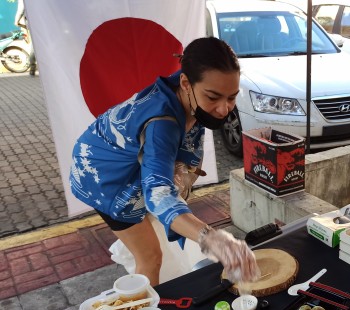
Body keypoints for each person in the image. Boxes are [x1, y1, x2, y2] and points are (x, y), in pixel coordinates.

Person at [70, 37, 260, 286]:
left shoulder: (186, 93)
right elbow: (159, 195)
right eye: (213, 97)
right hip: (103, 177)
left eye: (232, 97)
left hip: (125, 160)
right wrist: (211, 238)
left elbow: (165, 182)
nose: (224, 109)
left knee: (166, 222)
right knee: (150, 256)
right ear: (185, 82)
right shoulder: (162, 123)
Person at [14, 0, 36, 76]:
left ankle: (32, 68)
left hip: (33, 22)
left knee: (34, 46)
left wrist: (16, 21)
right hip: (45, 22)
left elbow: (21, 9)